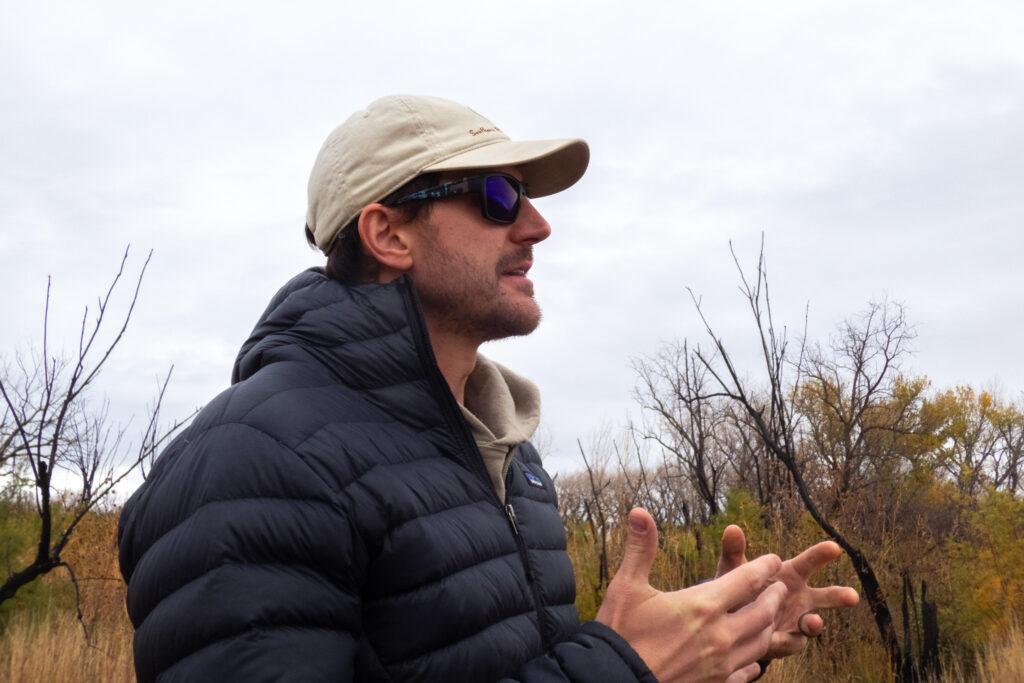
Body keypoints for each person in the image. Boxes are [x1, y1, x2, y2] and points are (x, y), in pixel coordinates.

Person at [117, 95, 858, 682]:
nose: (536, 225)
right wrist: (623, 665)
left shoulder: (512, 461)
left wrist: (716, 641)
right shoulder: (250, 464)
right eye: (500, 195)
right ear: (389, 234)